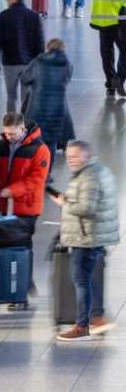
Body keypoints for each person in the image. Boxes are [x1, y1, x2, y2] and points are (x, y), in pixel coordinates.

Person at [53, 140, 117, 340]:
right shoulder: (94, 171)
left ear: (86, 156)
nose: (70, 160)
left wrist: (64, 203)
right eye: (68, 156)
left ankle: (82, 326)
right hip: (92, 235)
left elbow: (86, 208)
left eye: (74, 156)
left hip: (86, 237)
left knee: (81, 280)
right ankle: (97, 318)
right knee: (88, 279)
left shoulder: (89, 176)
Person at [0, 112, 51, 243]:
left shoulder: (40, 150)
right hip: (6, 204)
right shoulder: (0, 146)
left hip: (27, 207)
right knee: (5, 245)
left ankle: (20, 264)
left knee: (21, 245)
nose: (9, 137)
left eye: (12, 134)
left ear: (22, 129)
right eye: (6, 133)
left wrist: (12, 190)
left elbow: (37, 179)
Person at [0, 0, 44, 113]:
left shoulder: (3, 16)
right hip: (29, 64)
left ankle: (11, 124)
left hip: (10, 63)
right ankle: (25, 125)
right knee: (26, 97)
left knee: (11, 97)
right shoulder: (34, 16)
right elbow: (39, 43)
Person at [22, 38, 75, 162]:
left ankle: (35, 166)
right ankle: (47, 172)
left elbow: (25, 78)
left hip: (37, 106)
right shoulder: (67, 64)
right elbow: (66, 80)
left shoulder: (38, 61)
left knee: (36, 138)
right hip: (58, 108)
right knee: (51, 142)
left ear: (48, 48)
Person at [96, 0, 126, 97]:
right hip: (118, 21)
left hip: (102, 21)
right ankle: (119, 79)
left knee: (107, 54)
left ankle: (111, 82)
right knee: (124, 51)